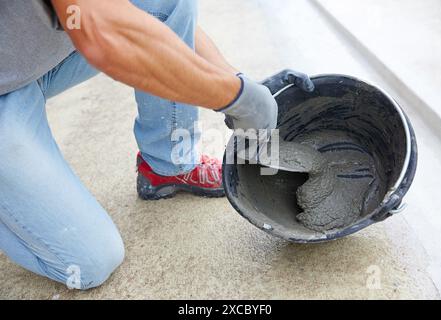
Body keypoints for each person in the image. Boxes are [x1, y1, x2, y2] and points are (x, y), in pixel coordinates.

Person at [0, 0, 313, 289]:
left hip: (28, 60)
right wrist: (237, 99)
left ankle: (168, 167)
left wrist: (237, 80)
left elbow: (140, 12)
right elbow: (103, 38)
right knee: (90, 263)